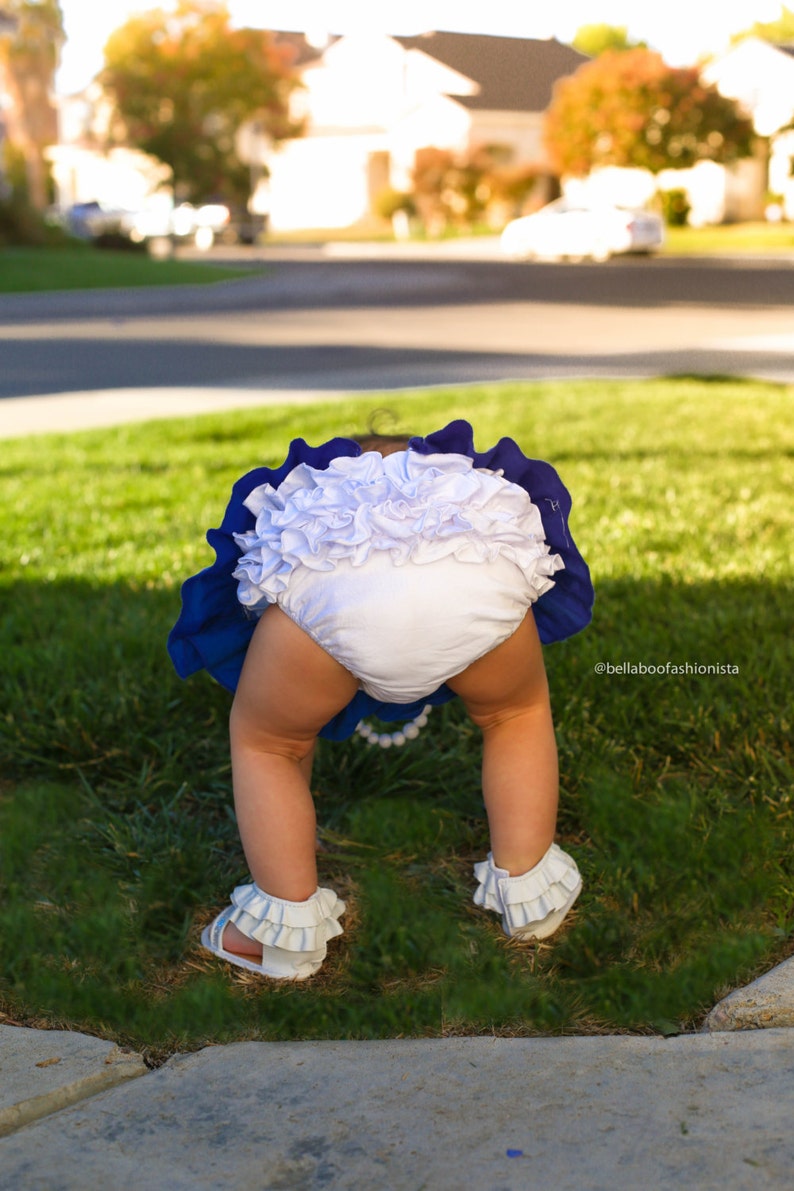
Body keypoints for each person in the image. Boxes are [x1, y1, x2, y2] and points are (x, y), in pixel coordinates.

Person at [168, 419, 594, 980]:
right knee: (514, 716)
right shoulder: (463, 491)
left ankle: (281, 937)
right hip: (476, 565)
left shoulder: (320, 504)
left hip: (331, 575)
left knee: (271, 745)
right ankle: (532, 898)